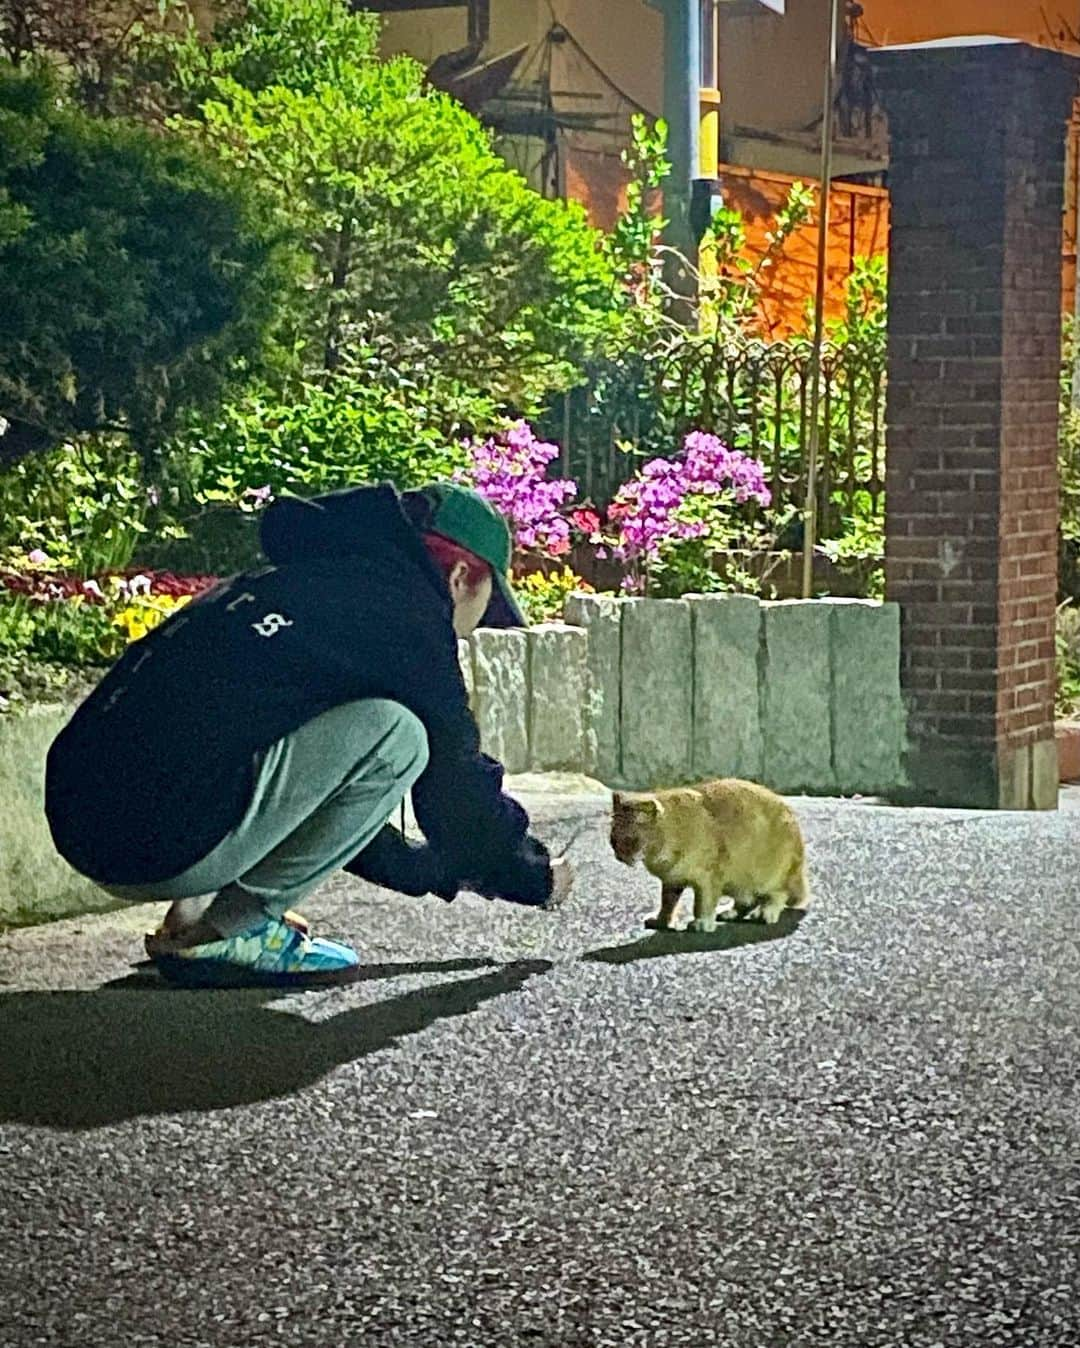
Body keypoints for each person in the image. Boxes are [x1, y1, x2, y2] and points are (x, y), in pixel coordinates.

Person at [45, 481, 572, 988]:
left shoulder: (298, 586)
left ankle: (196, 913)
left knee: (241, 733)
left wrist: (431, 871)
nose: (477, 626)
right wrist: (530, 875)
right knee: (400, 734)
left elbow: (317, 803)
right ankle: (237, 927)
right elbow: (456, 799)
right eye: (488, 606)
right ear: (460, 576)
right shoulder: (406, 618)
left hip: (83, 822)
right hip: (156, 844)